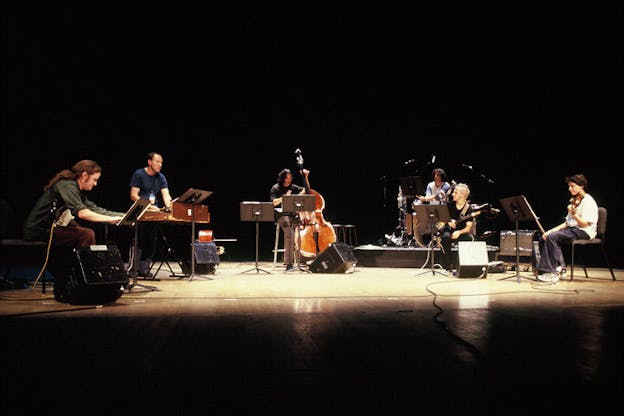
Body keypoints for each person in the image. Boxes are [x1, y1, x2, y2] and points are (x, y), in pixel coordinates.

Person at [23, 160, 125, 301]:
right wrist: (110, 219)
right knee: (86, 234)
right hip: (38, 230)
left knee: (82, 231)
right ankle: (83, 279)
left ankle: (76, 278)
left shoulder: (76, 190)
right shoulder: (66, 186)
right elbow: (82, 213)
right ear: (84, 175)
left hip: (54, 228)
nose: (95, 184)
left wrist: (124, 215)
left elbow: (95, 209)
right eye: (94, 180)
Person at [536, 174, 598, 283]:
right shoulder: (575, 201)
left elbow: (584, 224)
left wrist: (573, 213)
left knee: (553, 238)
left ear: (582, 186)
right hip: (573, 229)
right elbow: (567, 223)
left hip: (585, 231)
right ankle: (560, 268)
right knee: (545, 238)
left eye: (572, 186)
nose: (570, 189)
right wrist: (550, 231)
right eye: (569, 186)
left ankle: (551, 273)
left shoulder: (589, 201)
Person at [129, 152, 173, 277]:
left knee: (151, 240)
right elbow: (133, 195)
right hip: (140, 210)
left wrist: (169, 207)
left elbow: (166, 194)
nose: (160, 165)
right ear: (149, 162)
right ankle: (133, 269)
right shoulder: (139, 174)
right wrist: (147, 205)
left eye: (161, 163)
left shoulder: (161, 177)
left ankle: (144, 269)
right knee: (138, 240)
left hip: (154, 212)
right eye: (157, 162)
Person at [269, 168, 308, 271]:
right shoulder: (276, 188)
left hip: (292, 214)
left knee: (301, 230)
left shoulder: (293, 187)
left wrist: (305, 177)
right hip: (281, 215)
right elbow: (273, 203)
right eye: (287, 177)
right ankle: (289, 264)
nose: (289, 179)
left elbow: (306, 190)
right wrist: (285, 197)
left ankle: (304, 259)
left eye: (290, 177)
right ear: (283, 178)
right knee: (290, 232)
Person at [437, 183, 475, 272]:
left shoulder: (469, 209)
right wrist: (449, 221)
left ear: (462, 195)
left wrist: (459, 232)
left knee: (469, 238)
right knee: (446, 237)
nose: (453, 194)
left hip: (460, 232)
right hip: (448, 231)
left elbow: (468, 228)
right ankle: (448, 264)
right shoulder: (449, 205)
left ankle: (462, 265)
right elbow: (441, 221)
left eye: (455, 192)